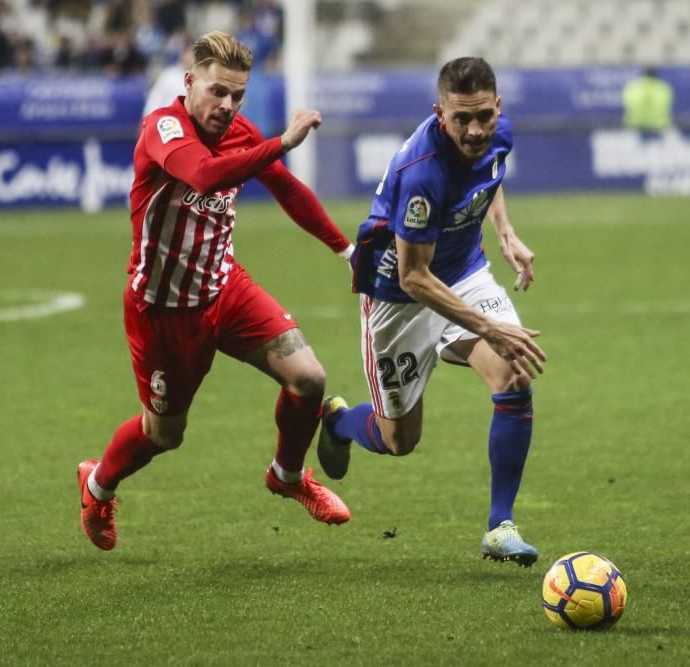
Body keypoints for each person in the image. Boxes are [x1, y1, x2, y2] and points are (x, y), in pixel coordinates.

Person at [77, 31, 355, 551]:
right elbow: (202, 176)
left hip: (224, 286)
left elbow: (285, 187)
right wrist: (283, 143)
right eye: (217, 92)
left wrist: (347, 251)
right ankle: (97, 485)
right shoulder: (163, 127)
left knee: (309, 379)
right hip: (163, 312)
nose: (227, 105)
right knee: (165, 434)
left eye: (238, 95)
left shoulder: (239, 130)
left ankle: (288, 476)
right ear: (190, 83)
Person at [316, 57, 546, 566]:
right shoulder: (420, 172)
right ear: (438, 112)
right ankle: (337, 422)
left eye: (483, 116)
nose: (474, 129)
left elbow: (490, 168)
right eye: (460, 119)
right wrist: (490, 327)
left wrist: (505, 232)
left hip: (464, 270)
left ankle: (499, 525)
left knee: (512, 377)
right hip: (398, 296)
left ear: (497, 107)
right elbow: (413, 276)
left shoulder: (494, 133)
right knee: (399, 440)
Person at [622, 66, 673, 132]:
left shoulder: (634, 86)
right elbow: (668, 104)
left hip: (636, 124)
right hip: (658, 125)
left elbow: (626, 102)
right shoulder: (663, 87)